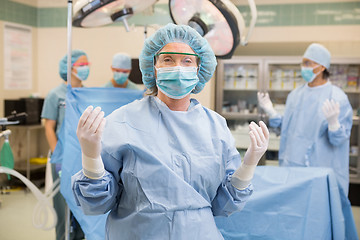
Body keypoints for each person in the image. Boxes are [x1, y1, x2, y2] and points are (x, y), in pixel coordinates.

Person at [72, 23, 269, 239]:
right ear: (153, 66)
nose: (178, 68)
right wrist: (90, 157)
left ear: (198, 69)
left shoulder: (216, 127)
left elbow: (223, 205)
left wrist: (248, 166)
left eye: (187, 61)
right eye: (168, 59)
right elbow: (97, 203)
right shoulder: (122, 122)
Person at [257, 43, 353, 195]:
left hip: (321, 171)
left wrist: (334, 125)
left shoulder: (337, 98)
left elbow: (339, 141)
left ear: (322, 67)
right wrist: (272, 112)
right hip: (291, 168)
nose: (304, 67)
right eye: (303, 63)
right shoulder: (295, 95)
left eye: (308, 63)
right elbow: (287, 130)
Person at [41, 49, 88, 240]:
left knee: (83, 209)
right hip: (62, 159)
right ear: (69, 69)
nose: (86, 69)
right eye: (81, 65)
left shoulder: (85, 93)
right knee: (64, 208)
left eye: (87, 65)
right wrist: (58, 155)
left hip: (81, 158)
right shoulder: (55, 95)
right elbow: (49, 127)